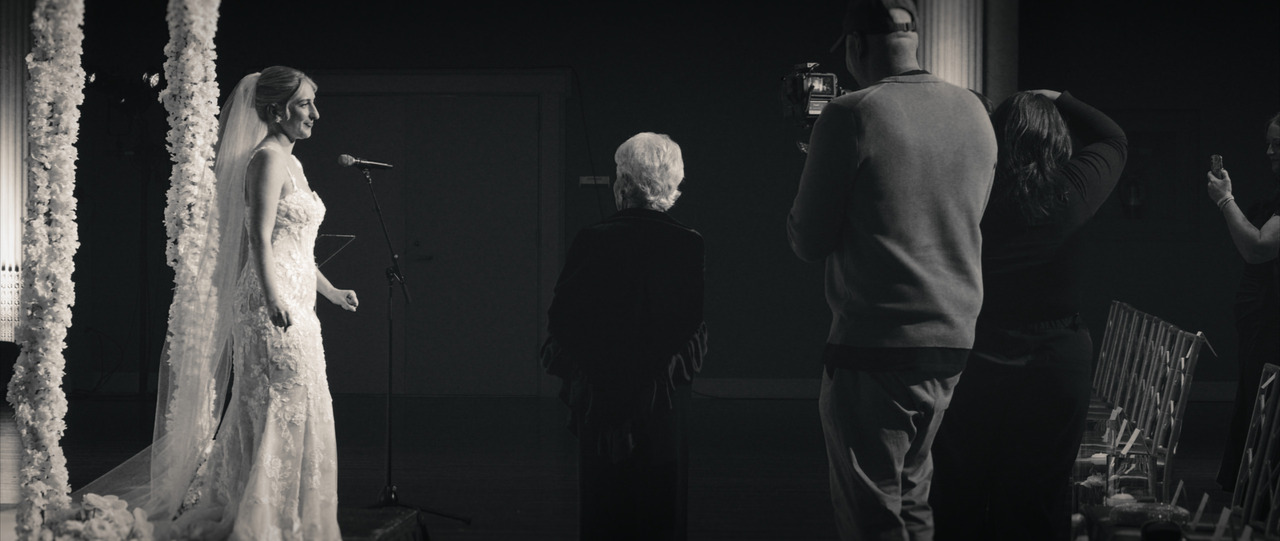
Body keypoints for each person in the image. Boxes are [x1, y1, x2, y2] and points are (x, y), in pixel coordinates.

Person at [78, 66, 357, 540]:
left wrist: (329, 290)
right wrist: (273, 298)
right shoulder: (265, 160)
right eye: (305, 103)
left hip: (298, 303)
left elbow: (298, 248)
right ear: (276, 109)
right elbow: (259, 240)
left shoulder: (295, 163)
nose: (315, 113)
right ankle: (260, 519)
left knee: (303, 403)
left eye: (313, 101)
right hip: (269, 305)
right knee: (271, 406)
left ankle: (288, 515)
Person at [786, 1, 997, 539]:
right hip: (952, 340)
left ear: (856, 46)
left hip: (875, 344)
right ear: (914, 39)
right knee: (913, 496)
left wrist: (816, 160)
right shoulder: (975, 111)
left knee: (871, 514)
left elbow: (808, 240)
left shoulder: (851, 114)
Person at [929, 90, 1128, 541]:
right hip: (1056, 358)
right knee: (1037, 492)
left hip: (976, 352)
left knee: (959, 487)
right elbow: (1114, 138)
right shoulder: (1073, 187)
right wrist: (1059, 97)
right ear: (1057, 140)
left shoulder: (967, 193)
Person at [541, 132, 707, 541]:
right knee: (660, 507)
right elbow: (687, 324)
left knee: (606, 507)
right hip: (662, 395)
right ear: (673, 184)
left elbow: (563, 320)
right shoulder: (689, 243)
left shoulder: (594, 239)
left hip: (602, 394)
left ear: (624, 184)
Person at [1210, 112, 1280, 491]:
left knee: (1265, 407)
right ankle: (1250, 496)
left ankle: (1260, 501)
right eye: (1268, 142)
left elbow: (1259, 247)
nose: (1269, 151)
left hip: (1274, 322)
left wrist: (1225, 201)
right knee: (1255, 402)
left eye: (1278, 144)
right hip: (1261, 319)